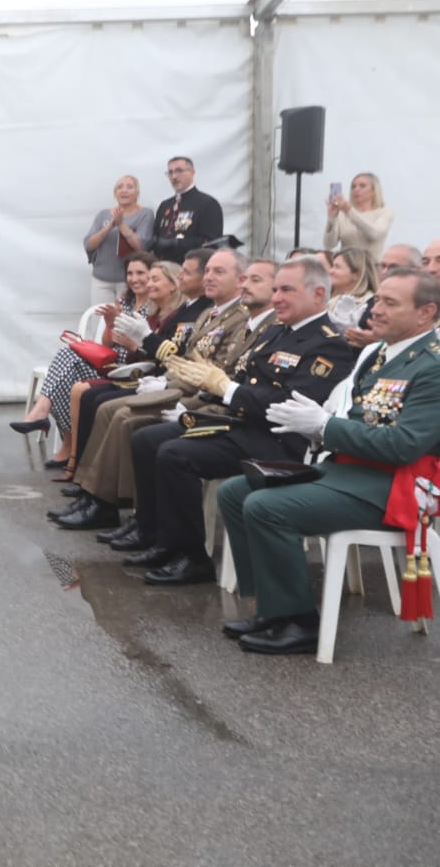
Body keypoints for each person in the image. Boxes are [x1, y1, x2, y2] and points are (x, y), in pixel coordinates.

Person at [217, 266, 440, 654]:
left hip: (395, 485)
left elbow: (404, 445)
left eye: (390, 302)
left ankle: (299, 622)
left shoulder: (432, 366)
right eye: (378, 300)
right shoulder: (381, 352)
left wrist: (324, 427)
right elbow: (361, 419)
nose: (376, 310)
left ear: (426, 312)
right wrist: (315, 427)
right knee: (236, 492)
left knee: (268, 507)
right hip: (351, 469)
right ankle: (271, 609)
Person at [125, 257, 358, 585]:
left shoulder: (327, 345)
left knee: (175, 455)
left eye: (286, 290)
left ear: (318, 295)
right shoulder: (278, 332)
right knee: (146, 438)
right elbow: (245, 380)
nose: (276, 297)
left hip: (280, 443)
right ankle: (158, 537)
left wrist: (228, 389)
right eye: (275, 289)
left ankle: (191, 557)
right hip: (243, 426)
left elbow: (286, 405)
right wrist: (212, 391)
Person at [55, 252, 269, 533]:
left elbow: (214, 372)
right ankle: (94, 494)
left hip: (200, 395)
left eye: (218, 272)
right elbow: (189, 359)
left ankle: (119, 506)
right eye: (208, 271)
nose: (209, 277)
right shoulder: (210, 314)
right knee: (108, 406)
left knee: (124, 417)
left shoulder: (240, 318)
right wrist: (165, 379)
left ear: (238, 280)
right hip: (181, 385)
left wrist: (167, 382)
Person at [11, 252, 156, 442]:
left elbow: (146, 349)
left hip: (130, 370)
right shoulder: (125, 302)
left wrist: (129, 341)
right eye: (130, 274)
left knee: (65, 379)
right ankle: (55, 426)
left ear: (152, 276)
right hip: (111, 364)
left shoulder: (154, 307)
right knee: (66, 357)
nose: (134, 279)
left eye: (140, 273)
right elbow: (108, 343)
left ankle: (61, 434)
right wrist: (110, 322)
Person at [83, 175, 154, 305]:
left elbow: (141, 246)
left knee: (124, 321)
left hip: (130, 281)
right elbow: (89, 244)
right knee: (99, 322)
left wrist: (121, 225)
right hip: (101, 279)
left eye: (130, 187)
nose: (124, 190)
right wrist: (110, 226)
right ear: (115, 194)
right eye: (120, 187)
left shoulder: (145, 213)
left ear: (137, 193)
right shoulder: (103, 214)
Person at [346, 244, 423, 348]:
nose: (385, 272)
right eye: (383, 266)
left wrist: (382, 341)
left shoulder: (422, 302)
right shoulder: (372, 301)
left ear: (416, 270)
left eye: (393, 267)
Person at [149, 156, 223, 262]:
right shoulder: (165, 205)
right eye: (170, 172)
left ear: (192, 173)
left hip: (191, 267)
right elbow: (156, 236)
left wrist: (177, 243)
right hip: (164, 267)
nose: (174, 176)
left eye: (179, 171)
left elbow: (211, 242)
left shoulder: (207, 204)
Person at [322, 171, 392, 257]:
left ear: (374, 190)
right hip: (346, 267)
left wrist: (349, 211)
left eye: (362, 186)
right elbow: (329, 244)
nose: (356, 189)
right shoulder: (343, 214)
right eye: (353, 187)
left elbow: (374, 234)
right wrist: (331, 218)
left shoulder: (385, 212)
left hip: (371, 267)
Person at [326, 247, 378, 331]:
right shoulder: (330, 301)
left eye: (337, 267)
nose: (330, 271)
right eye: (332, 266)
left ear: (356, 274)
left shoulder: (372, 306)